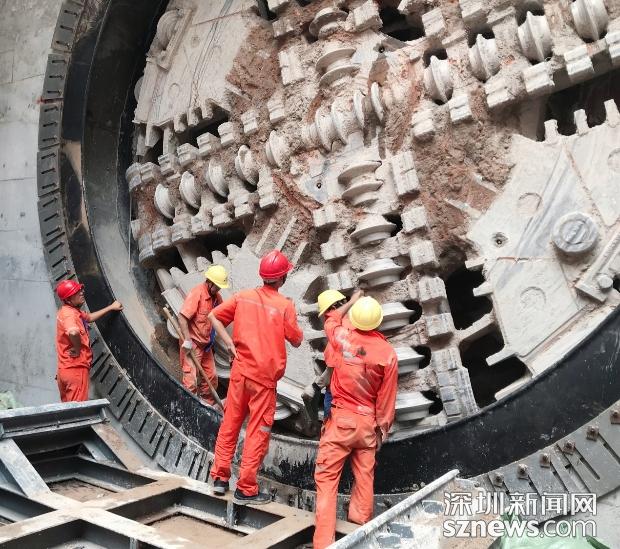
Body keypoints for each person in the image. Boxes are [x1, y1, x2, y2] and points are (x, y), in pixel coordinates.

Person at [208, 250, 303, 505]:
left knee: (230, 424)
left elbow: (213, 316)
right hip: (264, 380)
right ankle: (246, 488)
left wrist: (229, 343)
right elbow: (296, 340)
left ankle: (219, 478)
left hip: (240, 373)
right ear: (282, 277)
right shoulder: (284, 306)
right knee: (257, 432)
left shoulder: (243, 297)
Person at [313, 292, 399, 549]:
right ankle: (359, 537)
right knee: (364, 481)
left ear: (354, 318)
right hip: (367, 425)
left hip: (341, 422)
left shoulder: (342, 338)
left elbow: (331, 319)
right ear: (378, 321)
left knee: (327, 482)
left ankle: (323, 544)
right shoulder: (387, 354)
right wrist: (382, 429)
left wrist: (351, 301)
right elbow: (387, 397)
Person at [55, 280, 123, 402]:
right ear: (68, 299)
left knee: (68, 411)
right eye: (76, 292)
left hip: (65, 370)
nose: (82, 292)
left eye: (80, 290)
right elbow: (73, 332)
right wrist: (77, 349)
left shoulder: (70, 311)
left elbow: (89, 317)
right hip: (76, 369)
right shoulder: (69, 315)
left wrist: (111, 307)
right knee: (77, 411)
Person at [177, 265, 229, 405]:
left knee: (211, 377)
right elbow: (182, 318)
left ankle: (206, 403)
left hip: (206, 346)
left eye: (220, 287)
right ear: (209, 282)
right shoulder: (197, 293)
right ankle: (187, 405)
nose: (219, 289)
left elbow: (221, 318)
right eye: (217, 286)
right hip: (192, 344)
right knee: (191, 381)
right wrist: (187, 341)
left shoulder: (217, 298)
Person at [301, 289, 348, 424]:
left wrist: (316, 386)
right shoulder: (342, 325)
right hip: (342, 389)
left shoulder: (335, 327)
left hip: (337, 390)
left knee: (331, 425)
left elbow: (332, 368)